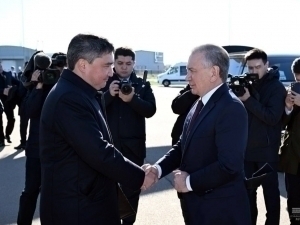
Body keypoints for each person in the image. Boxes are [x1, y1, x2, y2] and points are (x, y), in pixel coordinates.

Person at [39, 34, 156, 225]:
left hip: (87, 202)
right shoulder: (69, 98)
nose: (112, 73)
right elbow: (98, 151)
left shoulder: (80, 92)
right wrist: (140, 177)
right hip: (77, 210)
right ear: (83, 65)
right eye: (107, 65)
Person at [144, 44, 251, 225]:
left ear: (213, 72)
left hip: (220, 212)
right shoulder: (199, 103)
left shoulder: (230, 108)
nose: (187, 77)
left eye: (192, 71)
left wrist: (189, 182)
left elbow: (229, 165)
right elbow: (181, 146)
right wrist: (157, 169)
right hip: (198, 208)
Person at [101, 47, 156, 225]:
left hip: (134, 148)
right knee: (106, 190)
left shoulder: (142, 85)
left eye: (128, 63)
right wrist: (109, 94)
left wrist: (132, 99)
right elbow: (92, 106)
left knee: (132, 190)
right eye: (120, 63)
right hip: (108, 147)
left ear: (134, 64)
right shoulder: (103, 83)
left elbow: (150, 110)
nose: (124, 67)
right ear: (114, 63)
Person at [238, 48, 286, 225]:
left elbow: (273, 118)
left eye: (257, 67)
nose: (253, 71)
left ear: (266, 65)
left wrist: (248, 100)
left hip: (267, 151)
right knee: (247, 194)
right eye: (250, 68)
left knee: (271, 194)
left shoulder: (276, 87)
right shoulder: (245, 84)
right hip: (246, 150)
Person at [17, 53, 65, 225]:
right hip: (36, 150)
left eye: (61, 69)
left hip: (59, 151)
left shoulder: (66, 88)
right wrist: (37, 86)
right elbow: (27, 112)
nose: (56, 73)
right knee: (30, 191)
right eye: (55, 68)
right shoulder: (36, 86)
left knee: (54, 195)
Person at [279, 57, 300, 225]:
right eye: (297, 79)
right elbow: (281, 124)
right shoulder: (291, 92)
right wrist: (288, 107)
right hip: (293, 158)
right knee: (294, 201)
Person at [0, 61, 20, 144]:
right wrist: (2, 91)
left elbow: (17, 83)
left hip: (8, 101)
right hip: (0, 100)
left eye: (0, 66)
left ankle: (7, 134)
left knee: (11, 119)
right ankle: (1, 140)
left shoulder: (8, 74)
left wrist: (13, 88)